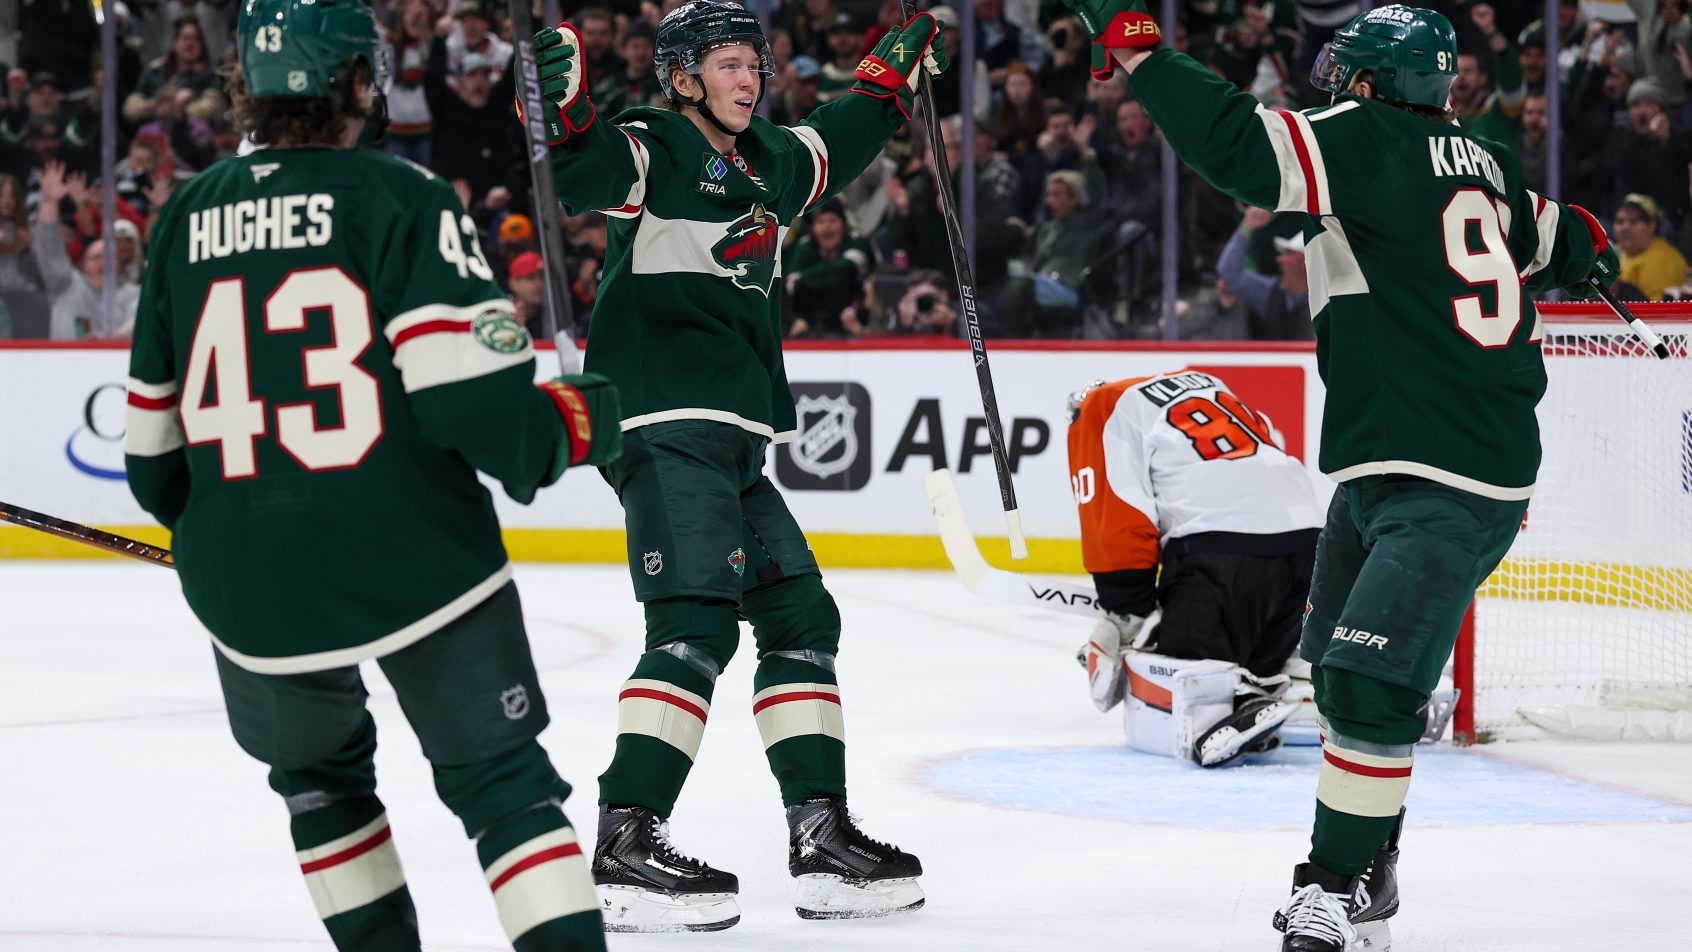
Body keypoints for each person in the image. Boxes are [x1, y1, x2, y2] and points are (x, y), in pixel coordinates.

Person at [1064, 2, 1616, 948]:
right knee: (1334, 672)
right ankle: (1376, 869)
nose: (1337, 87)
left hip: (1446, 475)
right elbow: (1558, 230)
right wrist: (1593, 250)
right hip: (1390, 470)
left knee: (1366, 681)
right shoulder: (1481, 157)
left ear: (1375, 83)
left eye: (1349, 72)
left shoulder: (1368, 140)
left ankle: (1331, 883)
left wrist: (1138, 45)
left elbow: (1238, 145)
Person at [121, 0, 620, 948]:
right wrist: (574, 422)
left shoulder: (182, 214)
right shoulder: (402, 198)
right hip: (411, 555)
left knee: (320, 788)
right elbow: (480, 414)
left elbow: (153, 468)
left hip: (250, 589)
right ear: (358, 80)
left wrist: (236, 532)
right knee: (503, 787)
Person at [524, 0, 946, 929]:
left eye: (754, 63)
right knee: (695, 627)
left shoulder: (770, 163)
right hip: (664, 419)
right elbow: (589, 171)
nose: (748, 78)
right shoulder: (658, 143)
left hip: (733, 437)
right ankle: (626, 842)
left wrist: (889, 81)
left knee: (801, 613)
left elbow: (837, 134)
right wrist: (563, 114)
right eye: (725, 64)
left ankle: (820, 835)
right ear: (682, 77)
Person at [1067, 370, 1321, 764]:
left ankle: (1220, 713)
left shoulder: (1100, 409)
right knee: (1247, 664)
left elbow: (1116, 512)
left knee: (1186, 689)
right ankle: (1273, 684)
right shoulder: (1208, 384)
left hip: (1224, 552)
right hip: (1309, 544)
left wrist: (1126, 607)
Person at [1613, 192, 1689, 298]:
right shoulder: (1616, 251)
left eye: (1633, 221)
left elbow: (1658, 310)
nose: (1625, 228)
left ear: (1651, 225)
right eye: (1620, 221)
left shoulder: (1663, 260)